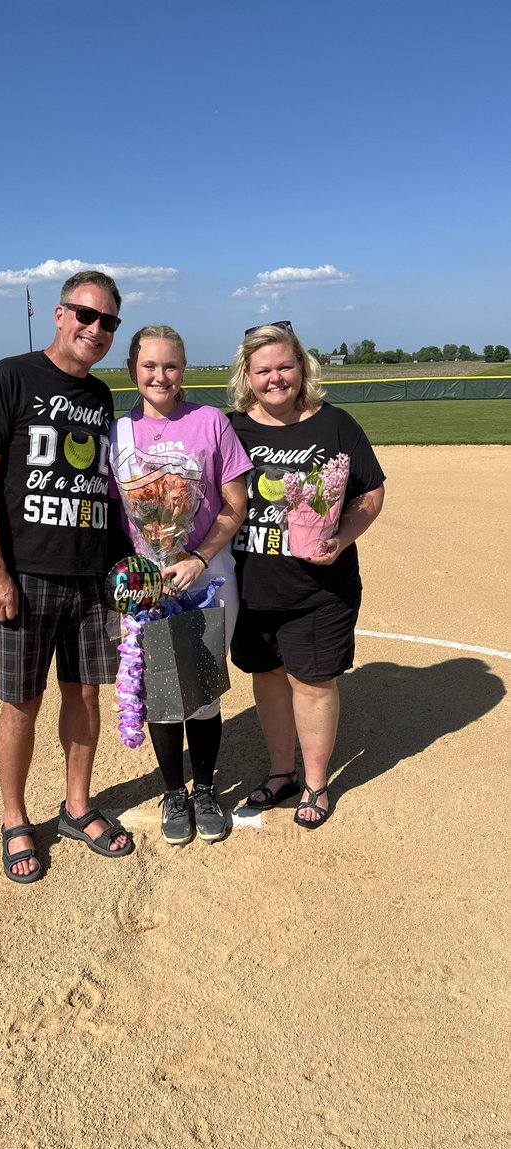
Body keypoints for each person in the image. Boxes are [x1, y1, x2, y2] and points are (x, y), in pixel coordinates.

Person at [0, 270, 134, 883]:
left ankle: (77, 807)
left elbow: (106, 491)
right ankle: (15, 818)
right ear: (60, 315)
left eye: (109, 321)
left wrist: (124, 569)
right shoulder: (11, 376)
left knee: (85, 694)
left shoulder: (101, 398)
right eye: (86, 315)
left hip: (91, 578)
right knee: (21, 702)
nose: (96, 329)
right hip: (27, 574)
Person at [228, 321, 385, 828]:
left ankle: (315, 785)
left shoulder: (334, 424)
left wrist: (341, 538)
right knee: (268, 678)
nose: (276, 378)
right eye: (264, 370)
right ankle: (282, 772)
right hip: (251, 586)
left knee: (313, 683)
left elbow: (371, 494)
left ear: (302, 366)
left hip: (319, 587)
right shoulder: (230, 428)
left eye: (285, 366)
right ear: (246, 375)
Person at [110, 326, 252, 846]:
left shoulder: (210, 422)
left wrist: (197, 556)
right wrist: (135, 573)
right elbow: (111, 514)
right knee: (162, 691)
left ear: (183, 371)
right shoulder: (118, 432)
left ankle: (207, 787)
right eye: (149, 366)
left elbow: (235, 506)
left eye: (170, 366)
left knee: (205, 691)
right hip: (148, 582)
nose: (160, 376)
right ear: (133, 371)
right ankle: (175, 791)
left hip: (208, 576)